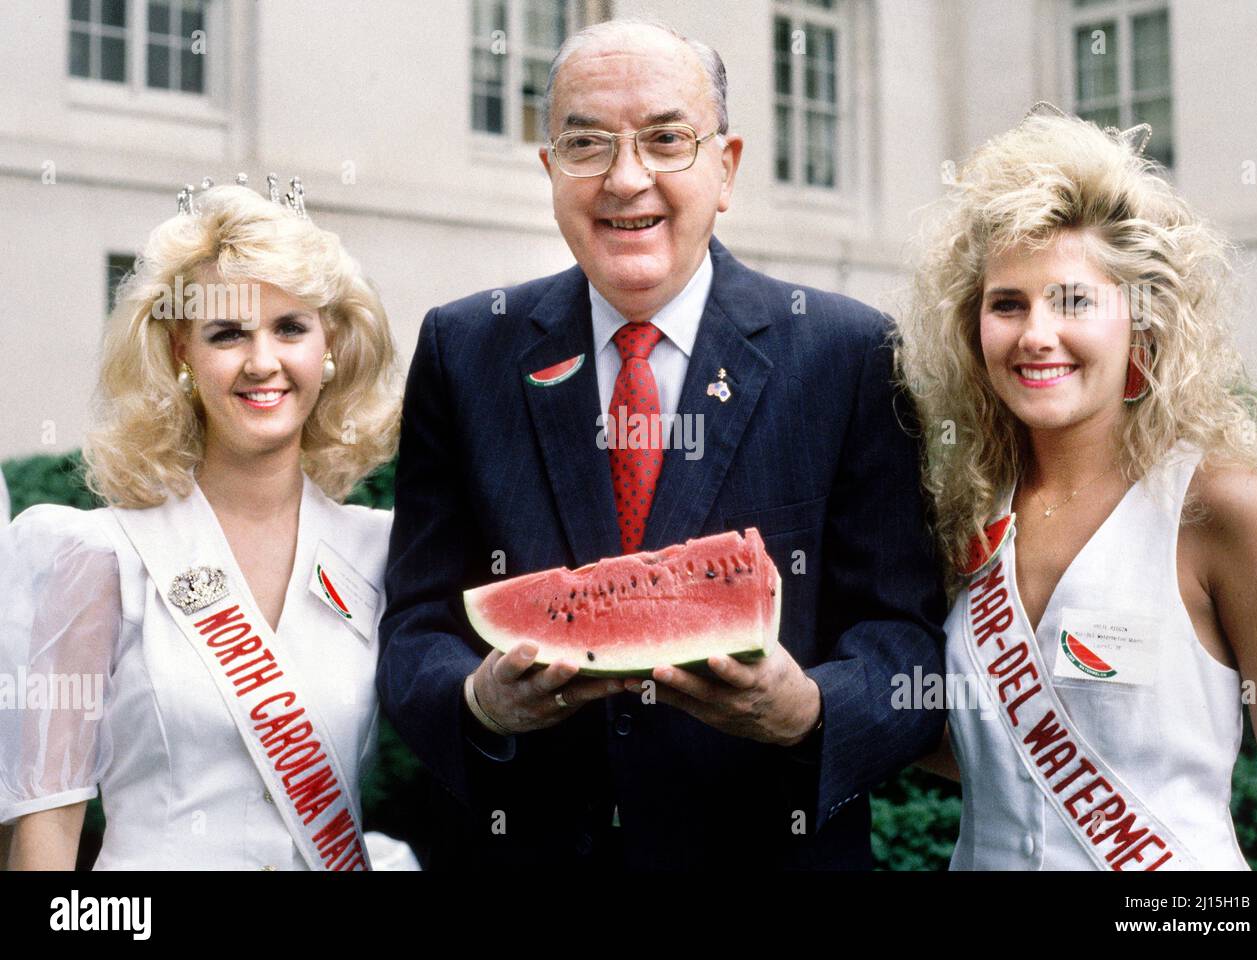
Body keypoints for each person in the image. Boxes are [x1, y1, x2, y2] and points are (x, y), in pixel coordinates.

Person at [378, 18, 946, 870]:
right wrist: (476, 702)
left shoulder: (848, 355)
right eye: (586, 144)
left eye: (667, 139)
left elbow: (905, 639)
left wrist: (812, 710)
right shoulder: (465, 350)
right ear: (549, 172)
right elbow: (417, 620)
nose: (626, 177)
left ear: (728, 168)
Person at [898, 106, 1257, 870]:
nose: (1036, 334)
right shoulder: (962, 506)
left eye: (1074, 300)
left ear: (1139, 322)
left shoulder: (1218, 509)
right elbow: (992, 743)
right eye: (1007, 303)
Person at [0, 179, 406, 869]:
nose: (262, 362)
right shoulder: (99, 557)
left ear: (329, 343)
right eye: (227, 333)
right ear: (182, 354)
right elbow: (45, 841)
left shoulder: (382, 549)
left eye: (289, 327)